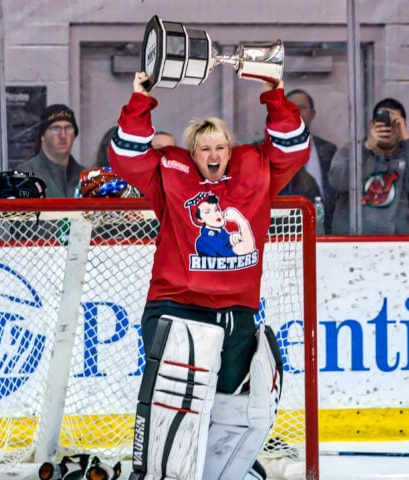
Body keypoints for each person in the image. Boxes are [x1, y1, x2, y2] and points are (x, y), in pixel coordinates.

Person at [109, 72, 310, 480]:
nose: (213, 154)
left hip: (237, 312)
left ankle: (226, 470)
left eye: (220, 146)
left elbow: (294, 146)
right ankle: (161, 472)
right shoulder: (170, 173)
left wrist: (274, 93)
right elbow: (126, 155)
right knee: (177, 408)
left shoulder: (255, 170)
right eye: (204, 148)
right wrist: (140, 99)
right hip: (175, 307)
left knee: (235, 406)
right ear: (193, 153)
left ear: (230, 150)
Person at [329, 97, 409, 234]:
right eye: (382, 122)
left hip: (399, 244)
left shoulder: (405, 156)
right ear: (372, 125)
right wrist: (365, 148)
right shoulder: (350, 151)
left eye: (395, 123)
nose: (388, 128)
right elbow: (337, 182)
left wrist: (406, 141)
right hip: (352, 242)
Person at [282, 89, 338, 233]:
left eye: (302, 107)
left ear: (312, 114)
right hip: (280, 236)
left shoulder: (330, 151)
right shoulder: (266, 152)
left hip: (323, 235)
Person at [17, 104, 85, 197]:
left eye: (68, 128)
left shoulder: (86, 177)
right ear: (43, 136)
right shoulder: (26, 176)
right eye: (56, 128)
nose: (63, 136)